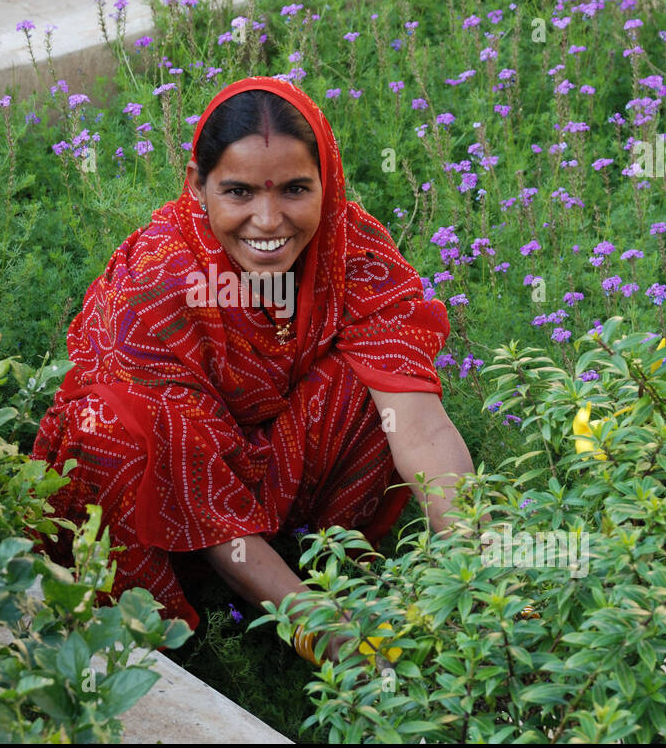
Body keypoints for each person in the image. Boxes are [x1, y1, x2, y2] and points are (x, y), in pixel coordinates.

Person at [30, 75, 475, 664]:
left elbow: (419, 427)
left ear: (328, 183)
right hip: (163, 483)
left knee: (375, 383)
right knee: (110, 426)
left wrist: (479, 565)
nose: (268, 221)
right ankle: (159, 635)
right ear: (198, 187)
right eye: (238, 193)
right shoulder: (161, 286)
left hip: (266, 462)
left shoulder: (350, 249)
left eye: (295, 189)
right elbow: (197, 486)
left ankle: (314, 557)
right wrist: (332, 635)